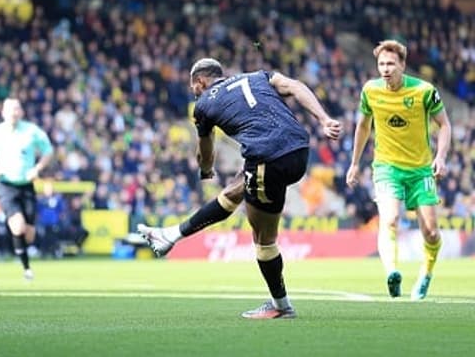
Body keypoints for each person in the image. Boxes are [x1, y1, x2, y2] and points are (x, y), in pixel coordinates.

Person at [138, 58, 342, 319]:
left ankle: (280, 306)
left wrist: (206, 170)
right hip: (299, 150)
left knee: (263, 240)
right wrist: (324, 119)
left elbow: (206, 152)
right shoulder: (258, 76)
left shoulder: (203, 105)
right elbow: (295, 86)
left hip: (267, 157)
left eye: (194, 87)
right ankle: (170, 236)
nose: (195, 92)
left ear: (200, 82)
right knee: (237, 187)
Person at [346, 40, 451, 300]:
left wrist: (440, 157)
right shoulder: (370, 90)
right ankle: (392, 272)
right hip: (386, 167)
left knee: (431, 232)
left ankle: (425, 274)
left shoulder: (424, 91)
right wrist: (355, 163)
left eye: (391, 63)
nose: (385, 69)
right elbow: (363, 127)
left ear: (402, 65)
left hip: (420, 171)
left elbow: (445, 125)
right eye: (381, 64)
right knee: (390, 219)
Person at [0, 97, 53, 280]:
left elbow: (48, 150)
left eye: (17, 109)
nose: (14, 112)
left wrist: (37, 168)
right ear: (3, 112)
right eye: (10, 109)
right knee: (17, 225)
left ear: (21, 112)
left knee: (29, 233)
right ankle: (26, 269)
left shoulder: (31, 131)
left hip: (26, 185)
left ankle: (22, 249)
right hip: (5, 184)